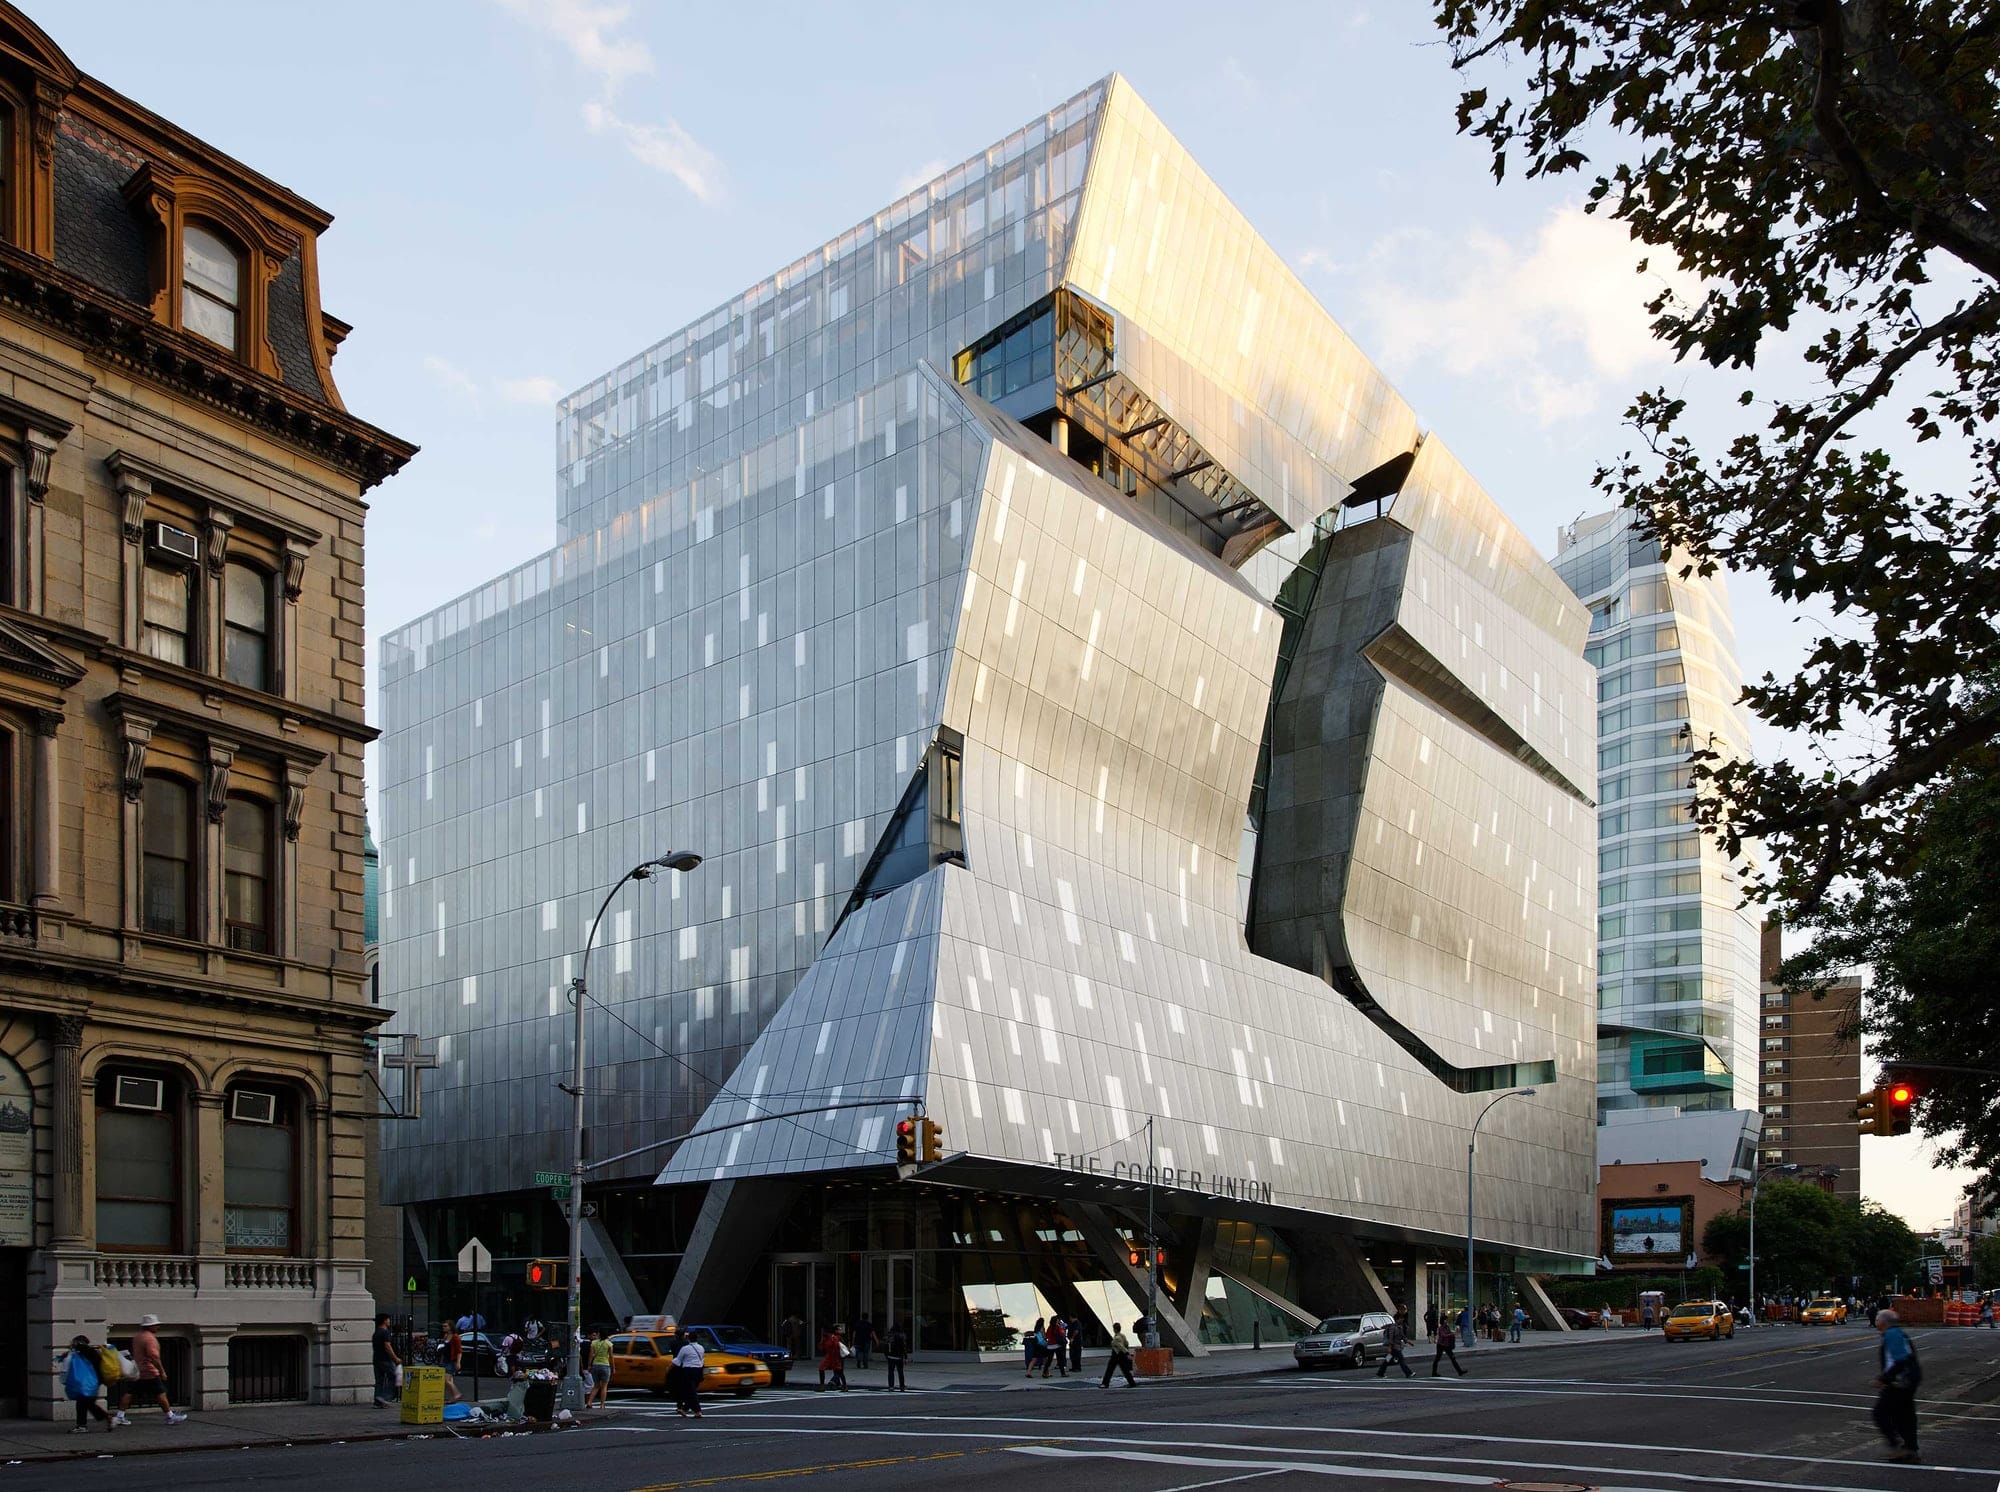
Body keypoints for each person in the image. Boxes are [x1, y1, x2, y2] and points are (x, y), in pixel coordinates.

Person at [113, 1314, 186, 1425]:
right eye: (155, 1325)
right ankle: (170, 1416)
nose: (158, 1327)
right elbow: (154, 1356)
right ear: (150, 1326)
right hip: (149, 1371)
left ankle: (120, 1416)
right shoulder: (150, 1339)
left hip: (138, 1370)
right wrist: (162, 1371)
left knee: (129, 1392)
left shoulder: (137, 1337)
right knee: (161, 1393)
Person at [1872, 1309, 1921, 1463]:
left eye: (1877, 1319)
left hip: (1900, 1381)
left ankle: (1895, 1444)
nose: (1876, 1322)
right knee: (1904, 1416)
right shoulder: (1899, 1334)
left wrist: (1885, 1378)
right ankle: (1910, 1449)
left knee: (1880, 1413)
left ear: (1883, 1322)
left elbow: (1900, 1360)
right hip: (1908, 1380)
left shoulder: (1892, 1335)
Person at [63, 1336, 113, 1434]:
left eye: (75, 1342)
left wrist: (73, 1348)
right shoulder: (90, 1352)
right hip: (92, 1381)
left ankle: (105, 1419)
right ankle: (105, 1419)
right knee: (86, 1403)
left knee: (85, 1403)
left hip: (90, 1382)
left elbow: (80, 1349)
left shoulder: (86, 1350)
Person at [672, 1330, 706, 1418]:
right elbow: (702, 1360)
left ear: (688, 1338)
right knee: (691, 1390)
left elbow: (677, 1361)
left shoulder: (685, 1348)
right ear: (697, 1338)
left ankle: (698, 1411)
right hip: (698, 1370)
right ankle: (684, 1409)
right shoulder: (701, 1348)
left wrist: (669, 1367)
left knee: (691, 1391)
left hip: (688, 1370)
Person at [371, 1313, 401, 1407]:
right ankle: (384, 1397)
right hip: (385, 1359)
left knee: (379, 1380)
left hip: (376, 1359)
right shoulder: (385, 1332)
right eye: (388, 1319)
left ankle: (377, 1401)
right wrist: (395, 1358)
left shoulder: (376, 1333)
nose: (389, 1321)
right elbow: (387, 1346)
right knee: (393, 1376)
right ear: (384, 1321)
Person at [1375, 1309, 1413, 1378]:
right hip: (1394, 1347)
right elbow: (1390, 1338)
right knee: (1401, 1359)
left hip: (1396, 1347)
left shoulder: (1399, 1327)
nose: (1402, 1320)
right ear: (1397, 1319)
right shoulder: (1393, 1327)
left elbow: (1402, 1336)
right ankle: (1408, 1373)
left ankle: (1380, 1372)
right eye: (1401, 1319)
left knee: (1387, 1360)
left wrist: (1408, 1341)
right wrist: (1389, 1347)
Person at [1100, 1321, 1137, 1388]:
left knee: (1110, 1370)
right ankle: (1132, 1383)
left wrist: (1126, 1352)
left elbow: (1121, 1347)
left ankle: (1105, 1383)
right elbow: (1126, 1344)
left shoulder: (1116, 1338)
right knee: (1125, 1370)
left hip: (1116, 1355)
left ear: (1115, 1329)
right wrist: (1126, 1352)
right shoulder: (1122, 1336)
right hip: (1122, 1355)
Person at [1431, 1312, 1467, 1377]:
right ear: (1443, 1321)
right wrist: (1452, 1334)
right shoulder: (1441, 1328)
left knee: (1453, 1358)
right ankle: (1434, 1372)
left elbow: (1449, 1333)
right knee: (1437, 1358)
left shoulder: (1447, 1327)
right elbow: (1443, 1335)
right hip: (1441, 1345)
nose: (1447, 1321)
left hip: (1447, 1345)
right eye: (1446, 1320)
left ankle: (1460, 1371)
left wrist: (1454, 1332)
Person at [587, 1328, 613, 1407]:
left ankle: (589, 1402)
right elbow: (611, 1357)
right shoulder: (609, 1344)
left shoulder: (593, 1343)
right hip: (605, 1365)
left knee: (596, 1386)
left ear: (599, 1334)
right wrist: (613, 1367)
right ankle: (602, 1405)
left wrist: (589, 1365)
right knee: (604, 1386)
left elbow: (591, 1355)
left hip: (595, 1365)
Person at [818, 1323, 848, 1392]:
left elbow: (836, 1347)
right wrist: (822, 1341)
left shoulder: (833, 1338)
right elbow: (821, 1347)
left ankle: (844, 1386)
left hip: (834, 1357)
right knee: (821, 1368)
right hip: (829, 1356)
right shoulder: (826, 1338)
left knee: (839, 1371)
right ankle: (822, 1386)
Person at [884, 1320, 909, 1392]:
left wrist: (886, 1355)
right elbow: (904, 1347)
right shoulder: (901, 1335)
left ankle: (891, 1386)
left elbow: (885, 1345)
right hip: (899, 1356)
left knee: (891, 1371)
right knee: (900, 1371)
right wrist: (905, 1357)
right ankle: (902, 1386)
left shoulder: (889, 1335)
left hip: (891, 1356)